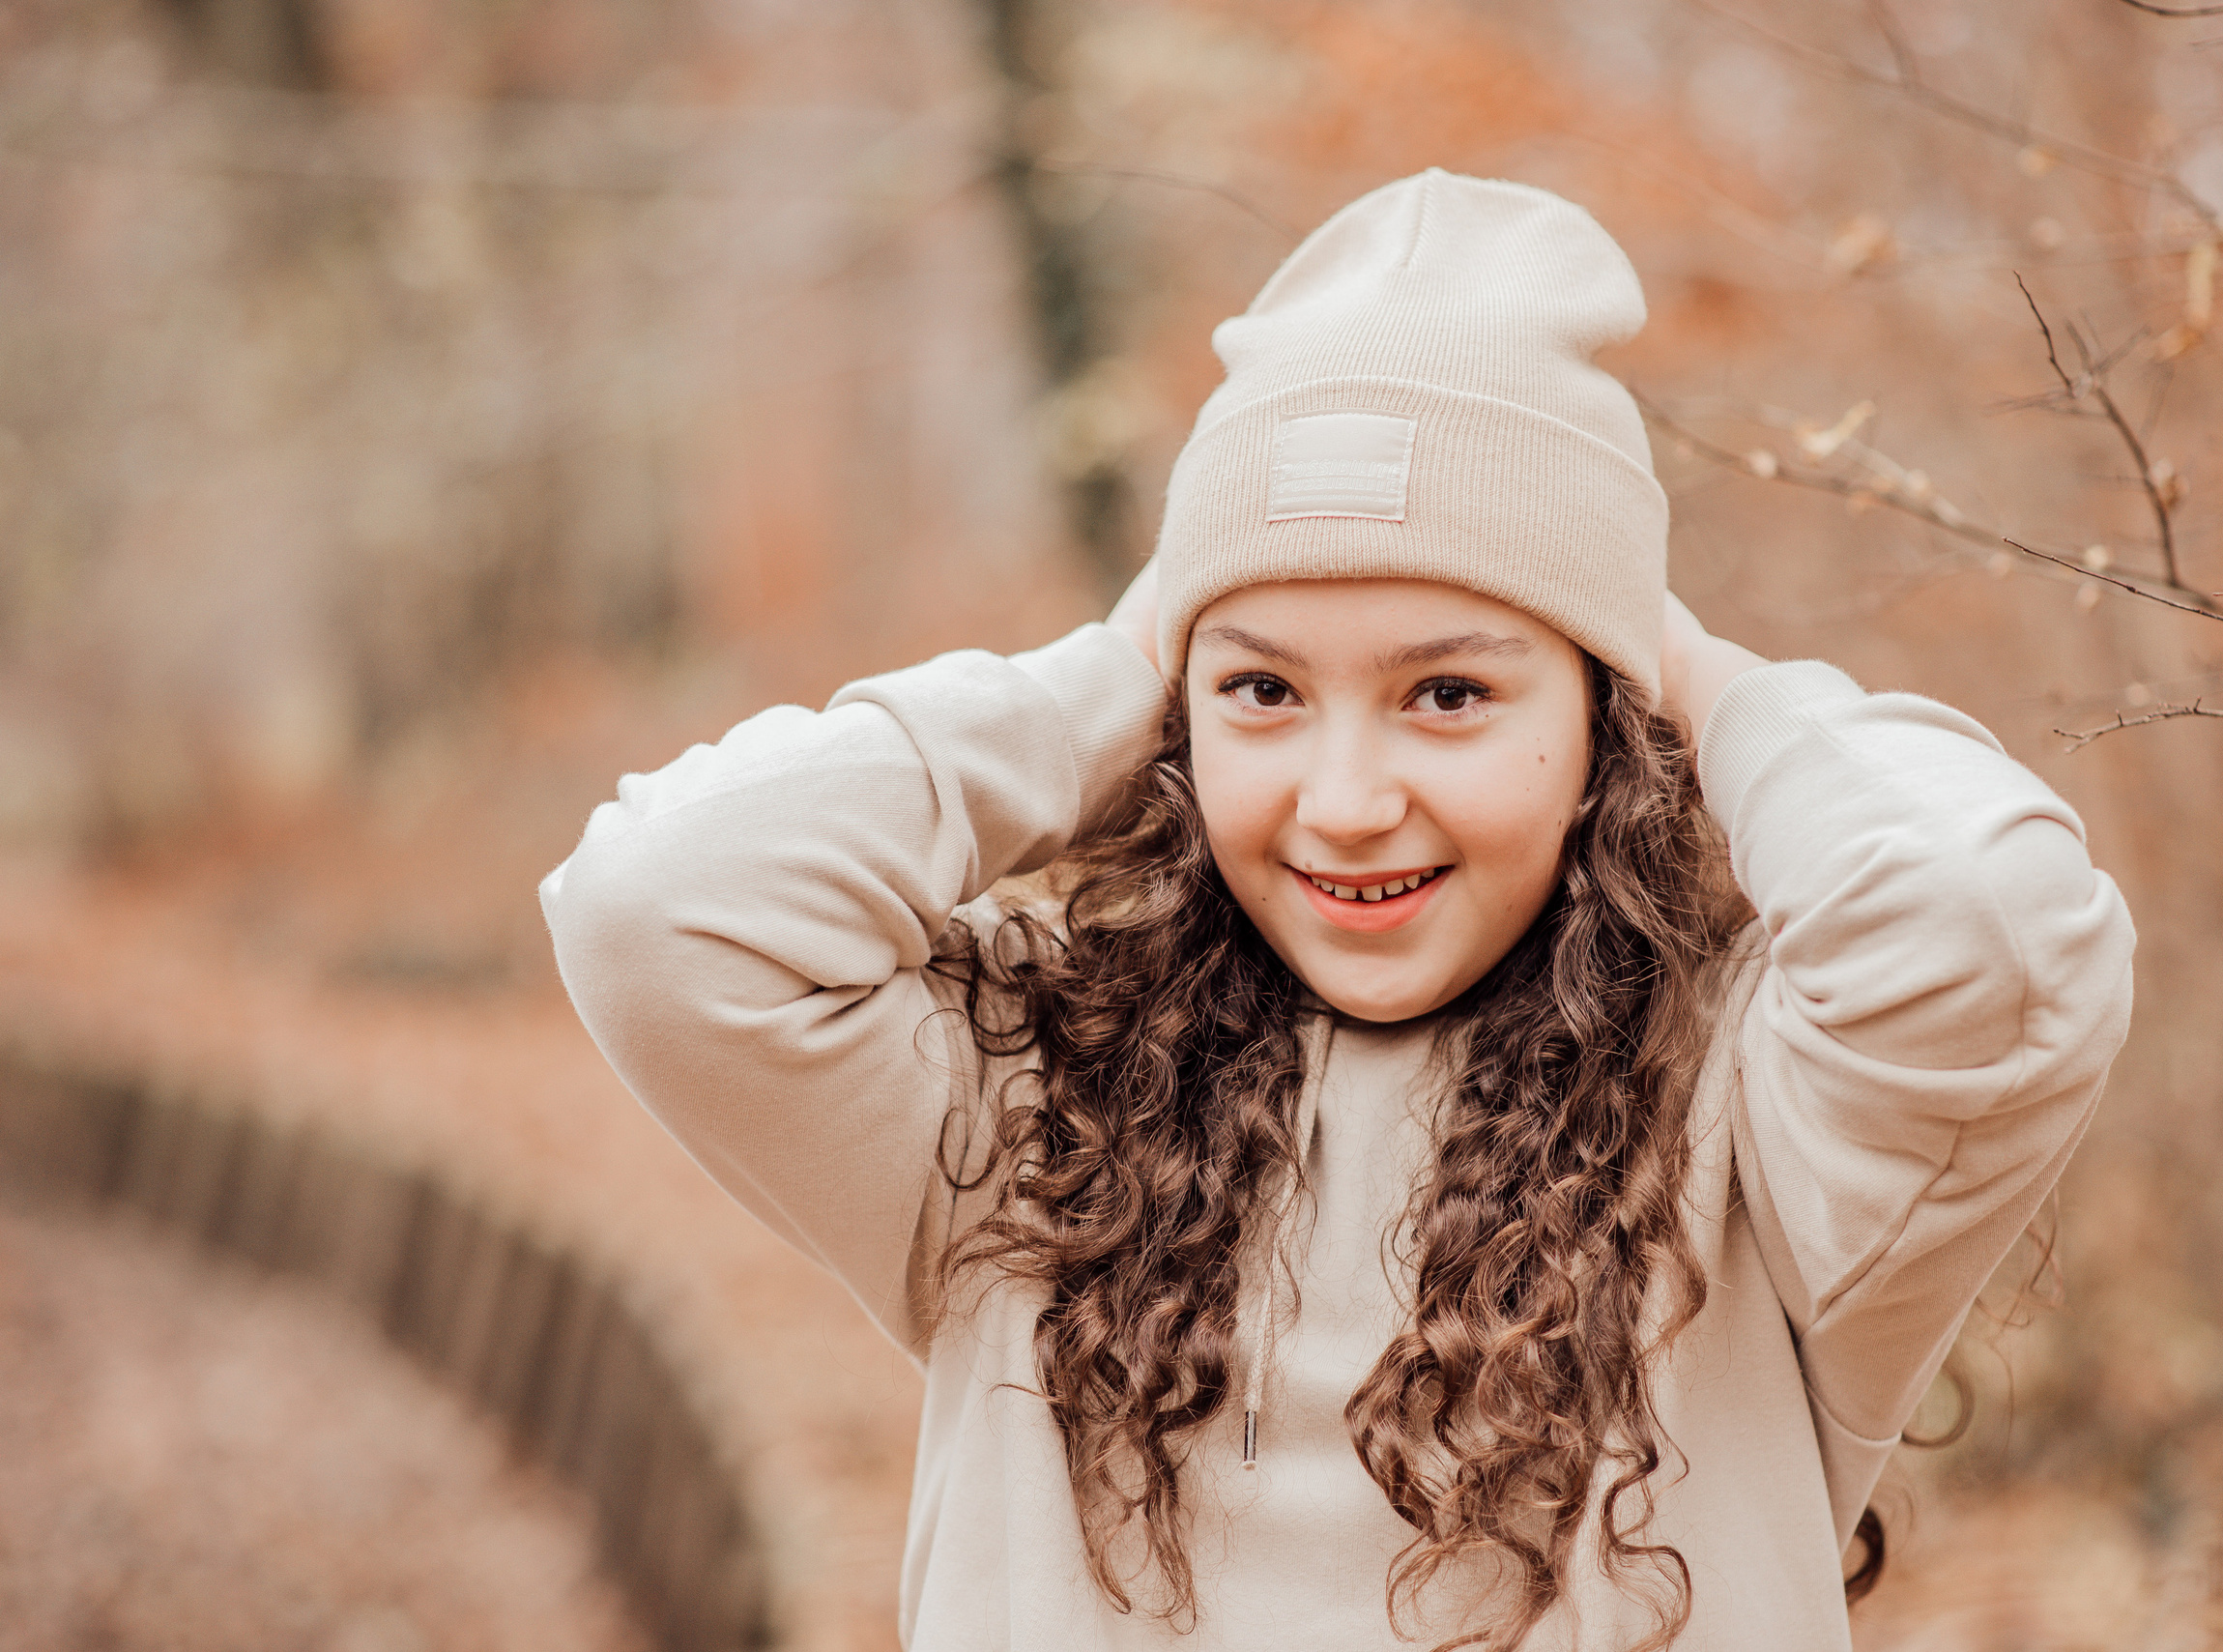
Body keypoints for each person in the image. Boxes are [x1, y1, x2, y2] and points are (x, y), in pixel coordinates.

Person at [541, 169, 2136, 1651]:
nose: (1346, 796)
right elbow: (659, 906)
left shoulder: (1752, 1112)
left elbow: (1989, 919)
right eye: (1265, 692)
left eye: (1448, 689)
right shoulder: (1034, 1089)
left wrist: (1687, 665)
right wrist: (1130, 668)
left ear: (1603, 715)